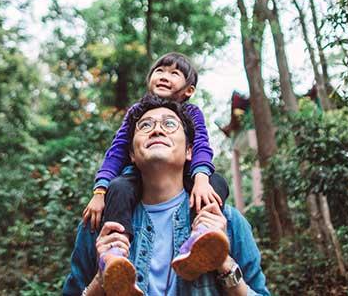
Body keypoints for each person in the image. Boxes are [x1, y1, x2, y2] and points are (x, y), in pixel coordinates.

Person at [63, 94, 270, 296]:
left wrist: (223, 262)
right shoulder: (100, 226)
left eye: (169, 124)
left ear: (190, 151)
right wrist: (101, 280)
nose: (157, 130)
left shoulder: (229, 223)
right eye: (145, 126)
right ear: (132, 156)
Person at [82, 53, 230, 284]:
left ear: (188, 90)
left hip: (187, 174)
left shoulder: (191, 114)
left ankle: (202, 237)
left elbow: (201, 144)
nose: (164, 76)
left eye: (174, 73)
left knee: (216, 183)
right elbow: (117, 150)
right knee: (118, 187)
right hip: (137, 176)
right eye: (159, 71)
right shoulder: (136, 112)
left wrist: (201, 177)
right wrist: (100, 191)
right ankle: (115, 255)